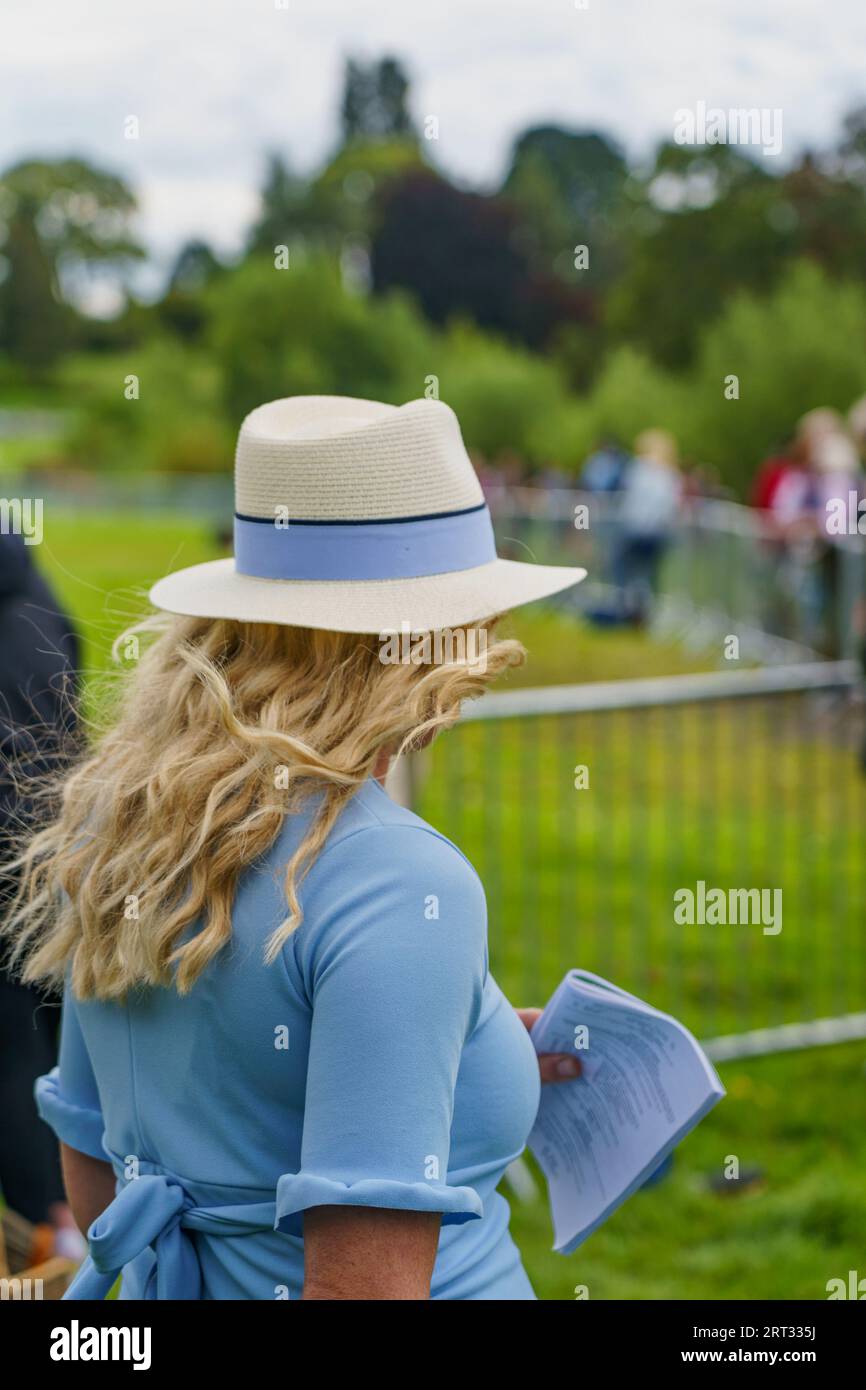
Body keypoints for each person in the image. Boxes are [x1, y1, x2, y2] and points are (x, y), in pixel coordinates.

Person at [1, 395, 588, 1301]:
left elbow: (95, 1175)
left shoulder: (112, 825)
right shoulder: (397, 881)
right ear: (423, 643)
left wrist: (456, 1040)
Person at [0, 533, 85, 1261]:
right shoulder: (37, 595)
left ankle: (50, 1234)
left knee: (12, 1047)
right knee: (48, 1036)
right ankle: (69, 1222)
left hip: (23, 851)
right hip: (55, 847)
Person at [613, 428, 682, 624]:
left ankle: (626, 611)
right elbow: (670, 506)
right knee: (648, 575)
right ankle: (644, 614)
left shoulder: (638, 468)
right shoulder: (670, 474)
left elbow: (628, 497)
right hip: (658, 533)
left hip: (634, 529)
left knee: (625, 571)